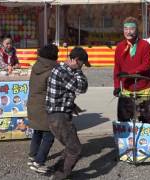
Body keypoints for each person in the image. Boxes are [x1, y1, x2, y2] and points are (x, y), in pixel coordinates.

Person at [46, 47, 90, 180]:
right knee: (75, 148)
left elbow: (62, 92)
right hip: (59, 117)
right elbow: (82, 87)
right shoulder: (63, 71)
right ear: (76, 60)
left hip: (58, 115)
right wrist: (78, 72)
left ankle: (57, 169)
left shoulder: (60, 69)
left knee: (70, 145)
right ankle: (60, 176)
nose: (82, 68)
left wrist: (72, 105)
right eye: (81, 64)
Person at [27, 44, 59, 174]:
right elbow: (55, 90)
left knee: (37, 132)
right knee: (49, 135)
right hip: (45, 107)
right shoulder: (53, 70)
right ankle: (39, 162)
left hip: (33, 104)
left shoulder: (37, 66)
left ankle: (32, 156)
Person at [113, 16, 150, 122]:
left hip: (143, 87)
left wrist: (129, 73)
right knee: (124, 118)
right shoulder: (120, 47)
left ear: (137, 30)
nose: (128, 32)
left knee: (146, 119)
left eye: (131, 29)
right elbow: (117, 68)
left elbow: (146, 65)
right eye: (126, 29)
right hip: (126, 88)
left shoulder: (145, 45)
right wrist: (116, 86)